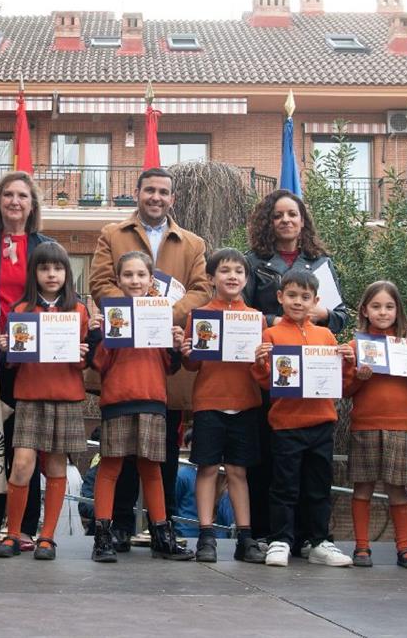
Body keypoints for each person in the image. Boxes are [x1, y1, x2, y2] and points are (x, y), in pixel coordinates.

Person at [89, 167, 211, 545]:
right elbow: (99, 283)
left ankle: (164, 527)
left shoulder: (193, 243)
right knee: (118, 458)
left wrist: (161, 315)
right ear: (138, 193)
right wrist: (133, 314)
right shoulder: (112, 234)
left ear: (172, 198)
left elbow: (201, 291)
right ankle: (118, 527)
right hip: (122, 363)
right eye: (149, 191)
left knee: (163, 456)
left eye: (163, 192)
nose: (156, 197)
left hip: (163, 365)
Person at [241, 189, 347, 547]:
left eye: (292, 214)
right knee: (271, 460)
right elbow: (244, 313)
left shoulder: (321, 263)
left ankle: (310, 537)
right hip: (273, 376)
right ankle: (271, 535)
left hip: (314, 380)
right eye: (278, 215)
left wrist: (322, 313)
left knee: (313, 469)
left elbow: (341, 316)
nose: (285, 220)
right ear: (268, 222)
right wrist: (279, 320)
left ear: (303, 221)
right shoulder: (254, 262)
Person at [0, 242, 100, 560]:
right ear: (34, 273)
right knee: (21, 464)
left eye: (58, 268)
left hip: (65, 397)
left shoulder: (79, 310)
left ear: (67, 273)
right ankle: (13, 534)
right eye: (44, 268)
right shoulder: (21, 310)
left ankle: (47, 537)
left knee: (55, 465)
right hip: (29, 396)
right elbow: (11, 363)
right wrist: (5, 348)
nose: (51, 274)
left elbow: (85, 362)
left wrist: (83, 352)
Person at [0, 171, 54, 551]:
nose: (14, 201)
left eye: (22, 195)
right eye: (8, 195)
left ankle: (24, 528)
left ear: (32, 204)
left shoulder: (46, 247)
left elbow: (58, 295)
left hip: (31, 361)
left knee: (26, 443)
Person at [89, 251, 193, 563]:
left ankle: (161, 534)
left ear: (151, 280)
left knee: (151, 469)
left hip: (152, 400)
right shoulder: (110, 315)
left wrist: (174, 344)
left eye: (141, 275)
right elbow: (99, 363)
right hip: (118, 399)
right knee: (110, 467)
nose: (135, 280)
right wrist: (98, 334)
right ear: (118, 280)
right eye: (128, 275)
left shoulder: (161, 314)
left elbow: (170, 366)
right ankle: (102, 536)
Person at [251, 269, 355, 567]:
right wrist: (259, 363)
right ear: (280, 297)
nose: (298, 302)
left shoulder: (326, 335)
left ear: (316, 302)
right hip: (286, 424)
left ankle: (319, 541)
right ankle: (280, 540)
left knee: (318, 486)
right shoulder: (270, 335)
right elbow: (266, 382)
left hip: (322, 422)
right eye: (292, 295)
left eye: (305, 297)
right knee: (284, 486)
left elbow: (340, 383)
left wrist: (347, 364)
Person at [177, 248, 265, 564]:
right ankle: (206, 535)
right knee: (208, 468)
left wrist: (263, 359)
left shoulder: (256, 318)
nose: (232, 276)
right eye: (225, 270)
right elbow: (192, 365)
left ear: (246, 278)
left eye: (239, 271)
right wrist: (188, 352)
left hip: (245, 402)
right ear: (212, 278)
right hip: (210, 402)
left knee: (239, 471)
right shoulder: (199, 316)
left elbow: (262, 372)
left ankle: (245, 537)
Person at [343, 281, 407, 569]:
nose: (383, 312)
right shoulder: (356, 347)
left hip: (401, 425)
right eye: (376, 306)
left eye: (389, 307)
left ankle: (404, 548)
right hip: (365, 425)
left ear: (398, 311)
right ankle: (361, 547)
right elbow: (345, 390)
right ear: (365, 310)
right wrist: (359, 378)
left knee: (398, 489)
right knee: (363, 488)